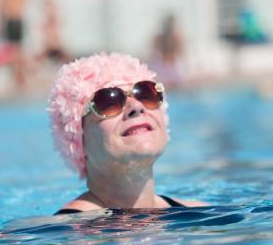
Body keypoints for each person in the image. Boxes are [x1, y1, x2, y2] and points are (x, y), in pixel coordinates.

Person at [47, 52, 206, 213]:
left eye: (146, 93)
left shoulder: (202, 215)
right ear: (77, 139)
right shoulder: (65, 233)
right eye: (108, 101)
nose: (136, 107)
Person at [0, 0, 28, 89]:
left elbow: (1, 1)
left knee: (13, 49)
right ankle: (20, 77)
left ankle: (17, 77)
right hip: (19, 15)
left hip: (10, 17)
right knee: (19, 49)